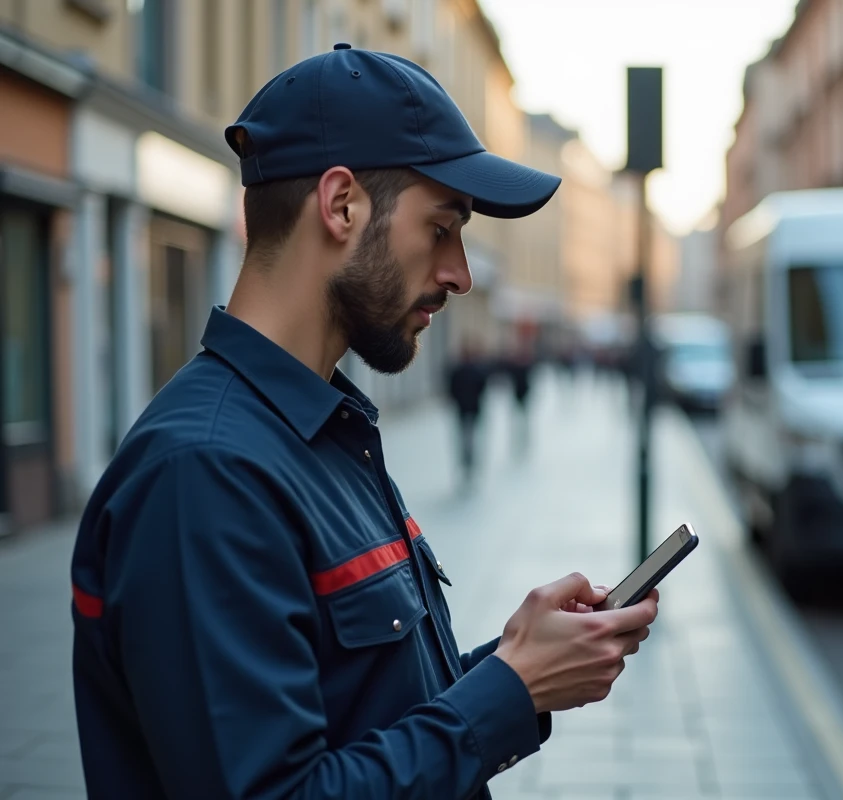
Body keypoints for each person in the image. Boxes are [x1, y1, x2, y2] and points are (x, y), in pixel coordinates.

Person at [69, 44, 658, 800]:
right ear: (341, 204)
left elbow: (362, 714)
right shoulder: (206, 472)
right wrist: (509, 690)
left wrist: (520, 663)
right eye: (442, 228)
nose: (460, 273)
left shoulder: (323, 430)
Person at [446, 337, 490, 483]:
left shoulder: (469, 370)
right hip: (468, 409)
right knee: (468, 438)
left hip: (467, 409)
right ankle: (468, 462)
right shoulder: (470, 370)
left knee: (467, 438)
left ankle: (468, 462)